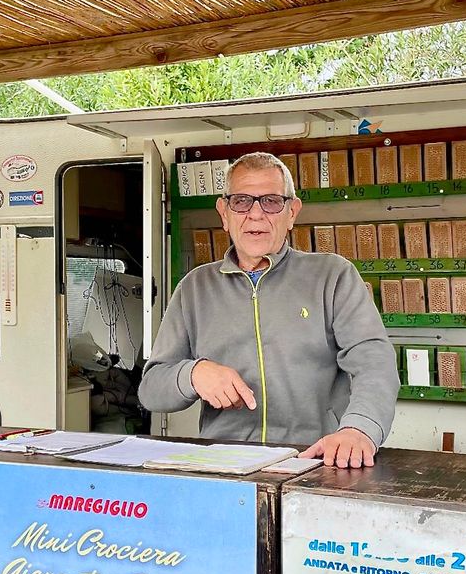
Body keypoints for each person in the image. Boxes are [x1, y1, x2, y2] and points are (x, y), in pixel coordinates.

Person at [139, 152, 399, 468]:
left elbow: (375, 362)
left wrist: (360, 429)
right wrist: (193, 374)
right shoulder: (195, 288)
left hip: (315, 460)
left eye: (272, 201)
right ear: (224, 213)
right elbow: (151, 390)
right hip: (226, 466)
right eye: (242, 201)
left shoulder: (332, 276)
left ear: (292, 212)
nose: (256, 214)